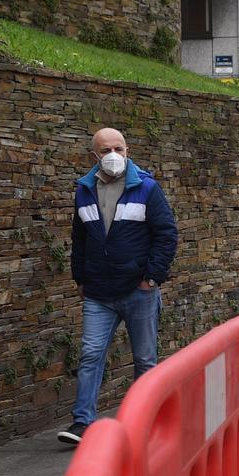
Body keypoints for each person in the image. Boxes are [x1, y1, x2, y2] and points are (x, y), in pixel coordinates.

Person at [59, 127, 178, 444]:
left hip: (137, 291)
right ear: (94, 156)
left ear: (128, 150)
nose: (114, 155)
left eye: (119, 148)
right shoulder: (84, 190)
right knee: (91, 354)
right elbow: (80, 237)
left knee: (144, 359)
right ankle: (82, 423)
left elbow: (166, 234)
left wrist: (151, 277)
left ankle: (144, 422)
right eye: (107, 150)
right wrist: (80, 278)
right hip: (98, 292)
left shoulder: (147, 188)